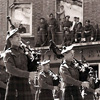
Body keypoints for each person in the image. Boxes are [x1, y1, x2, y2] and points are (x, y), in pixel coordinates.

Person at [3, 28, 38, 100]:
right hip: (15, 83)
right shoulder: (8, 53)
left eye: (19, 36)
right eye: (16, 36)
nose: (19, 38)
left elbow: (29, 66)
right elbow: (11, 69)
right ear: (10, 39)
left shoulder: (24, 51)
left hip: (25, 82)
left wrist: (35, 64)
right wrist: (28, 74)